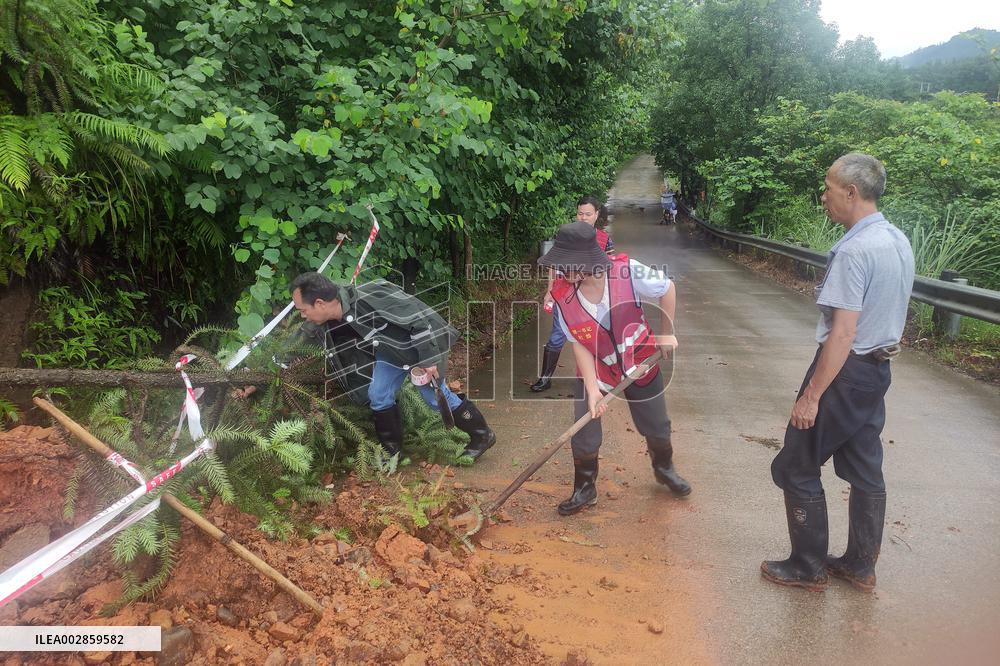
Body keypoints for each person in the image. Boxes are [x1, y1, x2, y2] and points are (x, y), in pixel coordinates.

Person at [761, 153, 914, 592]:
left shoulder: (854, 251)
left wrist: (811, 396)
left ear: (851, 192)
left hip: (846, 372)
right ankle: (860, 566)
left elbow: (843, 334)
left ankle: (807, 566)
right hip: (876, 371)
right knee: (864, 465)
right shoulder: (896, 240)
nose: (823, 197)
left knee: (797, 463)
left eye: (828, 189)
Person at [537, 221, 691, 515]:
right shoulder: (562, 295)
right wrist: (593, 390)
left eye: (566, 265)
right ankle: (585, 488)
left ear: (586, 263)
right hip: (597, 367)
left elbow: (667, 288)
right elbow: (579, 343)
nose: (560, 271)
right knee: (585, 428)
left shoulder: (626, 271)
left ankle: (664, 468)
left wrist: (666, 333)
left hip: (640, 360)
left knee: (656, 424)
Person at [290, 272, 496, 461]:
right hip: (390, 353)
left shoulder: (373, 297)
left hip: (420, 348)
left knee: (434, 398)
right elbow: (301, 337)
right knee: (378, 394)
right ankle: (391, 452)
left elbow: (420, 322)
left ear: (320, 303)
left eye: (303, 310)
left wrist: (428, 360)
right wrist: (274, 366)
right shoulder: (328, 315)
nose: (302, 316)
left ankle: (482, 435)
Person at [530, 196, 615, 392]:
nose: (583, 218)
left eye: (588, 214)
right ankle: (545, 378)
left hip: (593, 296)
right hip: (566, 295)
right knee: (557, 334)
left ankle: (600, 378)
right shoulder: (567, 236)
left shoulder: (604, 239)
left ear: (597, 215)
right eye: (580, 213)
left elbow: (611, 267)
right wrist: (550, 291)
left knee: (597, 335)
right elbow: (554, 265)